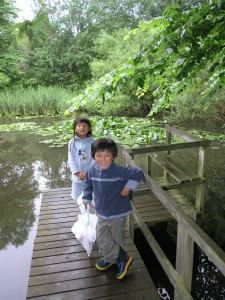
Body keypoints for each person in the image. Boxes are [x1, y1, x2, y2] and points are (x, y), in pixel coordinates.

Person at [82, 138, 144, 280]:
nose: (103, 160)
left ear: (113, 156)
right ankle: (120, 258)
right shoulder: (92, 169)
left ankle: (116, 259)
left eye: (107, 155)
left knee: (117, 238)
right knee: (102, 238)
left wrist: (128, 187)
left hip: (117, 212)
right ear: (93, 157)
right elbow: (87, 184)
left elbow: (138, 172)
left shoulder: (118, 170)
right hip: (101, 212)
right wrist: (86, 198)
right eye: (99, 156)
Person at [68, 116, 95, 201]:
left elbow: (95, 159)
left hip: (90, 175)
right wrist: (77, 173)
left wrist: (88, 173)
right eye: (79, 125)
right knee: (78, 198)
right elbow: (71, 159)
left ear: (89, 128)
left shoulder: (93, 142)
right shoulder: (72, 142)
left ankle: (92, 212)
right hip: (77, 176)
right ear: (75, 129)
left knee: (92, 197)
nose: (82, 127)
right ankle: (82, 212)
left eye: (84, 125)